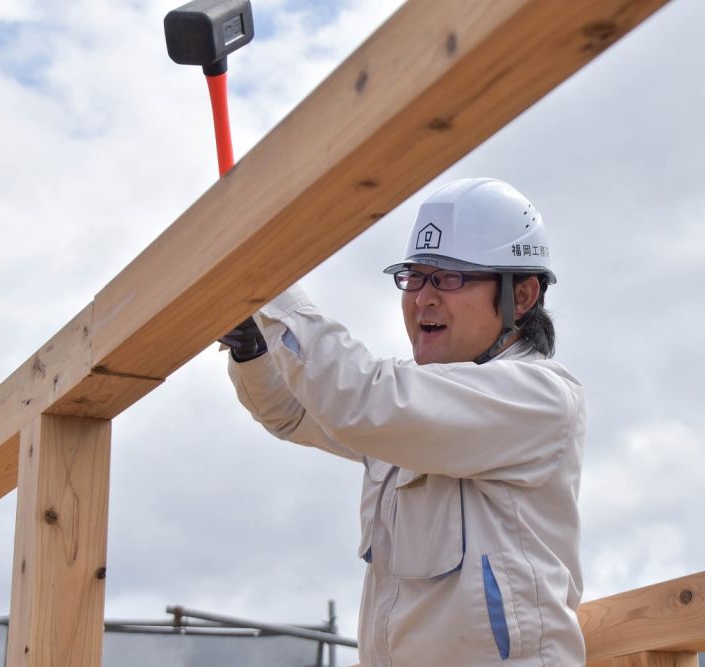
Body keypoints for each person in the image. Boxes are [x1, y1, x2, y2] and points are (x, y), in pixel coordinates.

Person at [223, 178, 586, 666]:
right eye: (415, 276)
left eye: (450, 278)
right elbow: (295, 412)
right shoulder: (411, 410)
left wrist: (271, 287)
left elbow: (364, 401)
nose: (423, 298)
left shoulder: (538, 399)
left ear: (521, 296)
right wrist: (254, 345)